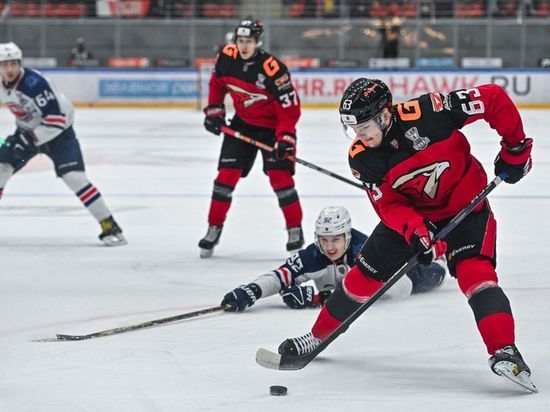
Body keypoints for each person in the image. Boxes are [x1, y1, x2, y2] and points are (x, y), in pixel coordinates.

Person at [277, 78, 535, 390]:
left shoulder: (432, 112)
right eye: (352, 128)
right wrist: (416, 231)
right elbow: (388, 203)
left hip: (466, 208)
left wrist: (516, 147)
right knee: (362, 277)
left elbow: (493, 99)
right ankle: (317, 336)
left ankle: (505, 351)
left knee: (475, 274)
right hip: (413, 217)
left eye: (363, 126)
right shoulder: (362, 157)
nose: (358, 136)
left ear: (385, 115)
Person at [0, 42, 126, 246]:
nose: (9, 69)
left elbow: (56, 119)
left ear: (20, 63)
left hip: (59, 135)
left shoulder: (34, 84)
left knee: (75, 178)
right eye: (4, 65)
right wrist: (26, 137)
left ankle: (109, 225)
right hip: (26, 131)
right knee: (1, 169)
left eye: (13, 64)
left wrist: (30, 139)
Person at [199, 18, 303, 258]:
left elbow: (290, 109)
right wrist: (215, 110)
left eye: (249, 41)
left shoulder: (272, 69)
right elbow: (217, 84)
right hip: (243, 125)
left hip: (274, 128)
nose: (244, 46)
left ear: (258, 42)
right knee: (225, 178)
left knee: (281, 178)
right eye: (240, 40)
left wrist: (285, 138)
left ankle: (294, 229)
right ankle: (213, 227)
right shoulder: (226, 57)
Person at [221, 206, 446, 312]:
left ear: (347, 237)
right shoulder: (314, 254)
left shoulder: (364, 251)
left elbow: (400, 289)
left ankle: (441, 250)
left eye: (335, 240)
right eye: (324, 240)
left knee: (436, 271)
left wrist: (322, 298)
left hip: (410, 274)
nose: (329, 247)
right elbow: (281, 276)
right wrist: (252, 290)